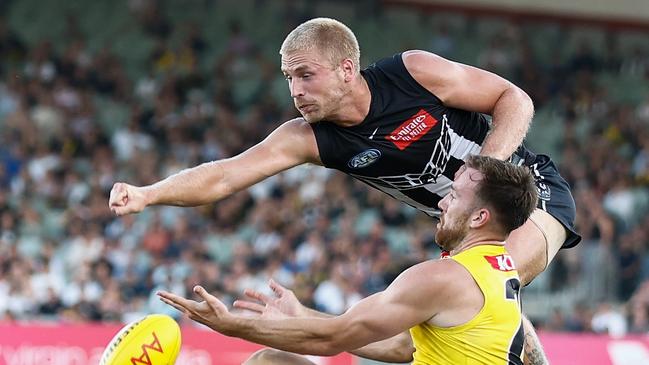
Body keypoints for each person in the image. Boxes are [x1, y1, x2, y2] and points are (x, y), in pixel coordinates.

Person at [109, 17, 580, 286]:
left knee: (488, 287)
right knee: (461, 320)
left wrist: (484, 168)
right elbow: (225, 176)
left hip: (531, 189)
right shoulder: (308, 137)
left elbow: (513, 99)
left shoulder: (411, 73)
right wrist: (150, 194)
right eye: (288, 77)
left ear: (347, 69)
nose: (295, 89)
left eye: (306, 75)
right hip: (466, 232)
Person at [158, 155, 548, 365]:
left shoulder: (446, 278)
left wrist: (230, 325)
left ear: (480, 217)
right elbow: (400, 348)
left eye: (455, 195)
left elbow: (334, 339)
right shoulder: (495, 268)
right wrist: (302, 315)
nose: (442, 201)